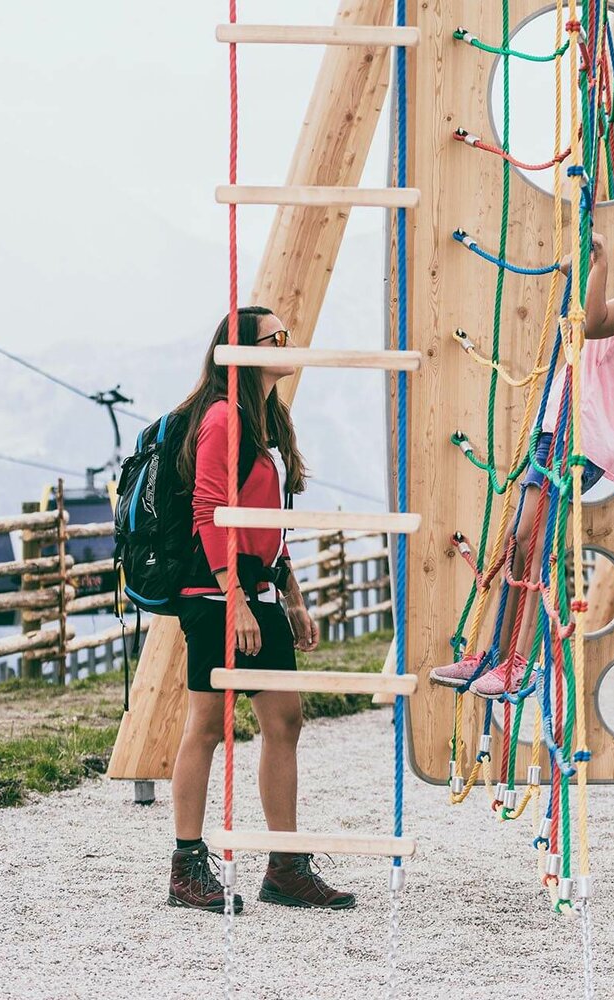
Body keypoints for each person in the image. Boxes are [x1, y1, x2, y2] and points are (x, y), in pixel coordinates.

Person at [429, 227, 614, 697]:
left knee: (534, 542)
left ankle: (520, 662)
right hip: (561, 431)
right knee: (519, 540)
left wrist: (598, 264)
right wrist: (587, 274)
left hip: (578, 438)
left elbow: (592, 323)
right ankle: (497, 655)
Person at [166, 306, 354, 913]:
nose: (287, 343)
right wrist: (235, 601)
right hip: (217, 593)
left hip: (259, 589)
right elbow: (208, 513)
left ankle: (285, 867)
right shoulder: (223, 418)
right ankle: (186, 866)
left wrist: (292, 598)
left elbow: (267, 524)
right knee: (207, 725)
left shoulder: (266, 419)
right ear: (245, 352)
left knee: (284, 720)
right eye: (277, 337)